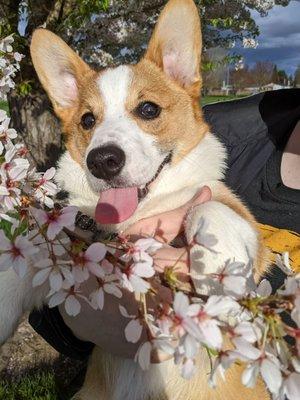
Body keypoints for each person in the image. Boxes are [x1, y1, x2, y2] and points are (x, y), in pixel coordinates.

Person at [29, 88, 300, 363]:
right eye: (89, 120)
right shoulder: (213, 128)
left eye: (147, 110)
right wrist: (75, 315)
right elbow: (54, 316)